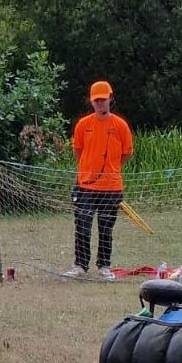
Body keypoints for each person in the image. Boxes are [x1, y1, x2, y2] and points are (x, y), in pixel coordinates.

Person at [64, 80, 133, 280]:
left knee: (106, 228)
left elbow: (126, 154)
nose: (100, 103)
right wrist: (89, 170)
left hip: (111, 187)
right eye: (97, 100)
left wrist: (110, 170)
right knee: (82, 225)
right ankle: (80, 265)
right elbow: (77, 151)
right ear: (91, 102)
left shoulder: (120, 125)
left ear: (111, 99)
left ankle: (104, 267)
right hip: (85, 186)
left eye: (103, 99)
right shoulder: (83, 125)